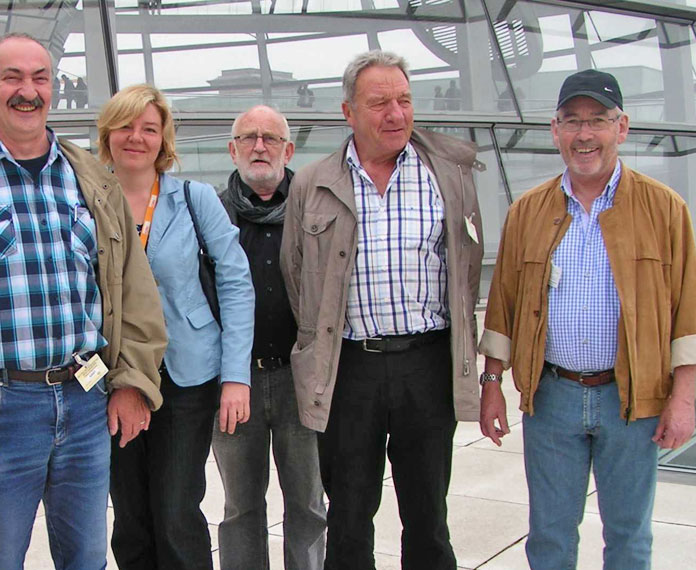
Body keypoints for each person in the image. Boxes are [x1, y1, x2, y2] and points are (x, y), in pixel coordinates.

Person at [0, 34, 167, 570]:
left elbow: (135, 291)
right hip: (0, 410)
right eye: (12, 77)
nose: (28, 90)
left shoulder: (94, 180)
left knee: (86, 559)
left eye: (40, 78)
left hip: (86, 402)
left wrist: (133, 381)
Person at [479, 69, 696, 569]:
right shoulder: (527, 212)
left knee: (629, 537)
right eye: (572, 121)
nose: (584, 134)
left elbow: (687, 312)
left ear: (622, 128)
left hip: (633, 402)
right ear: (555, 130)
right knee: (550, 537)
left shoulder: (665, 209)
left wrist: (684, 399)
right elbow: (503, 306)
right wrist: (492, 385)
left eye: (597, 120)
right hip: (552, 398)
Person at [280, 50, 484, 570]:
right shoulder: (312, 182)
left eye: (404, 101)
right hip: (349, 369)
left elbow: (466, 268)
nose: (396, 114)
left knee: (428, 516)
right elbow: (297, 275)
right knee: (349, 516)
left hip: (426, 365)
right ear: (348, 112)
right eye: (380, 103)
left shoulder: (449, 175)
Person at [96, 84, 254, 570]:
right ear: (108, 134)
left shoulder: (193, 198)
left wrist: (236, 376)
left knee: (176, 510)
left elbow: (235, 282)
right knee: (130, 514)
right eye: (126, 126)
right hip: (116, 377)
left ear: (163, 138)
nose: (136, 137)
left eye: (149, 128)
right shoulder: (88, 200)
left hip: (187, 375)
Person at [213, 105, 326, 570]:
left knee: (308, 505)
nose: (259, 147)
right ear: (233, 149)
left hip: (301, 380)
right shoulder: (212, 214)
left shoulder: (314, 211)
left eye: (271, 138)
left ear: (288, 150)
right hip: (235, 383)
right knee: (240, 508)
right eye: (249, 137)